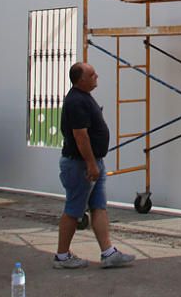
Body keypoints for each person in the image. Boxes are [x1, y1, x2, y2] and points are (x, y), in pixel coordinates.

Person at [53, 62, 135, 270]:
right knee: (73, 210)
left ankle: (108, 253)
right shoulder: (76, 102)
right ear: (81, 80)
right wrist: (90, 164)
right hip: (80, 165)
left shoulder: (83, 97)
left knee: (99, 207)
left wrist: (94, 163)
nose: (96, 76)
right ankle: (62, 256)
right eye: (92, 74)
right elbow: (80, 137)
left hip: (91, 163)